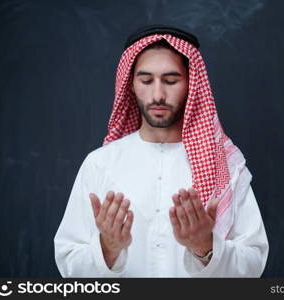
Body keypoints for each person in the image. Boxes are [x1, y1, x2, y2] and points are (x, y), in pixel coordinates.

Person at [54, 25, 269, 277]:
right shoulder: (101, 163)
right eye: (146, 80)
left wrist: (206, 247)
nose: (157, 94)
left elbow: (254, 264)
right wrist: (107, 249)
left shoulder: (225, 165)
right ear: (131, 85)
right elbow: (69, 264)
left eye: (171, 81)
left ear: (191, 84)